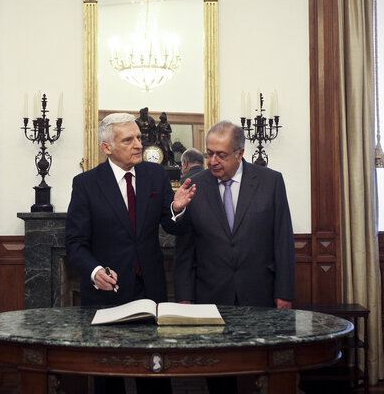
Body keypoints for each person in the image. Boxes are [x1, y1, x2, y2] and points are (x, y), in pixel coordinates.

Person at [65, 112, 196, 394]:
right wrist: (94, 271)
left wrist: (176, 208)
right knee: (109, 378)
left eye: (138, 137)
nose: (139, 144)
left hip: (150, 291)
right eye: (129, 140)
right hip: (106, 294)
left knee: (155, 375)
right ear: (107, 147)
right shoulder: (86, 184)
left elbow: (169, 226)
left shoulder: (155, 175)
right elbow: (75, 243)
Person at [174, 120, 295, 394]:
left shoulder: (270, 182)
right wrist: (184, 297)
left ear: (240, 153)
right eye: (209, 154)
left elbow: (283, 240)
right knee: (218, 374)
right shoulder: (193, 184)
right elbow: (185, 249)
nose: (213, 161)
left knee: (259, 372)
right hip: (210, 295)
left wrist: (285, 292)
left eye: (221, 155)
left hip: (259, 293)